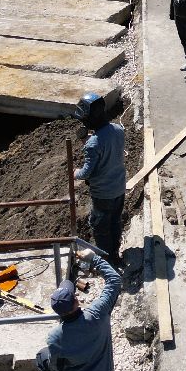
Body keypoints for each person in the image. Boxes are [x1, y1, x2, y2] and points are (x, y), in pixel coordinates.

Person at [35, 250, 122, 371]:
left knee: (41, 358)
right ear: (76, 300)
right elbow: (114, 280)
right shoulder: (98, 312)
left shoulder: (55, 337)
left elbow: (55, 367)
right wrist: (93, 258)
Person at [73, 92, 126, 267]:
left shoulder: (93, 144)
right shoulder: (118, 130)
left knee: (100, 227)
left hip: (103, 194)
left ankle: (106, 261)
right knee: (115, 222)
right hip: (119, 188)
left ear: (90, 119)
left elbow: (87, 172)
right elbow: (105, 148)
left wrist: (75, 173)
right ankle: (115, 254)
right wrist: (87, 141)